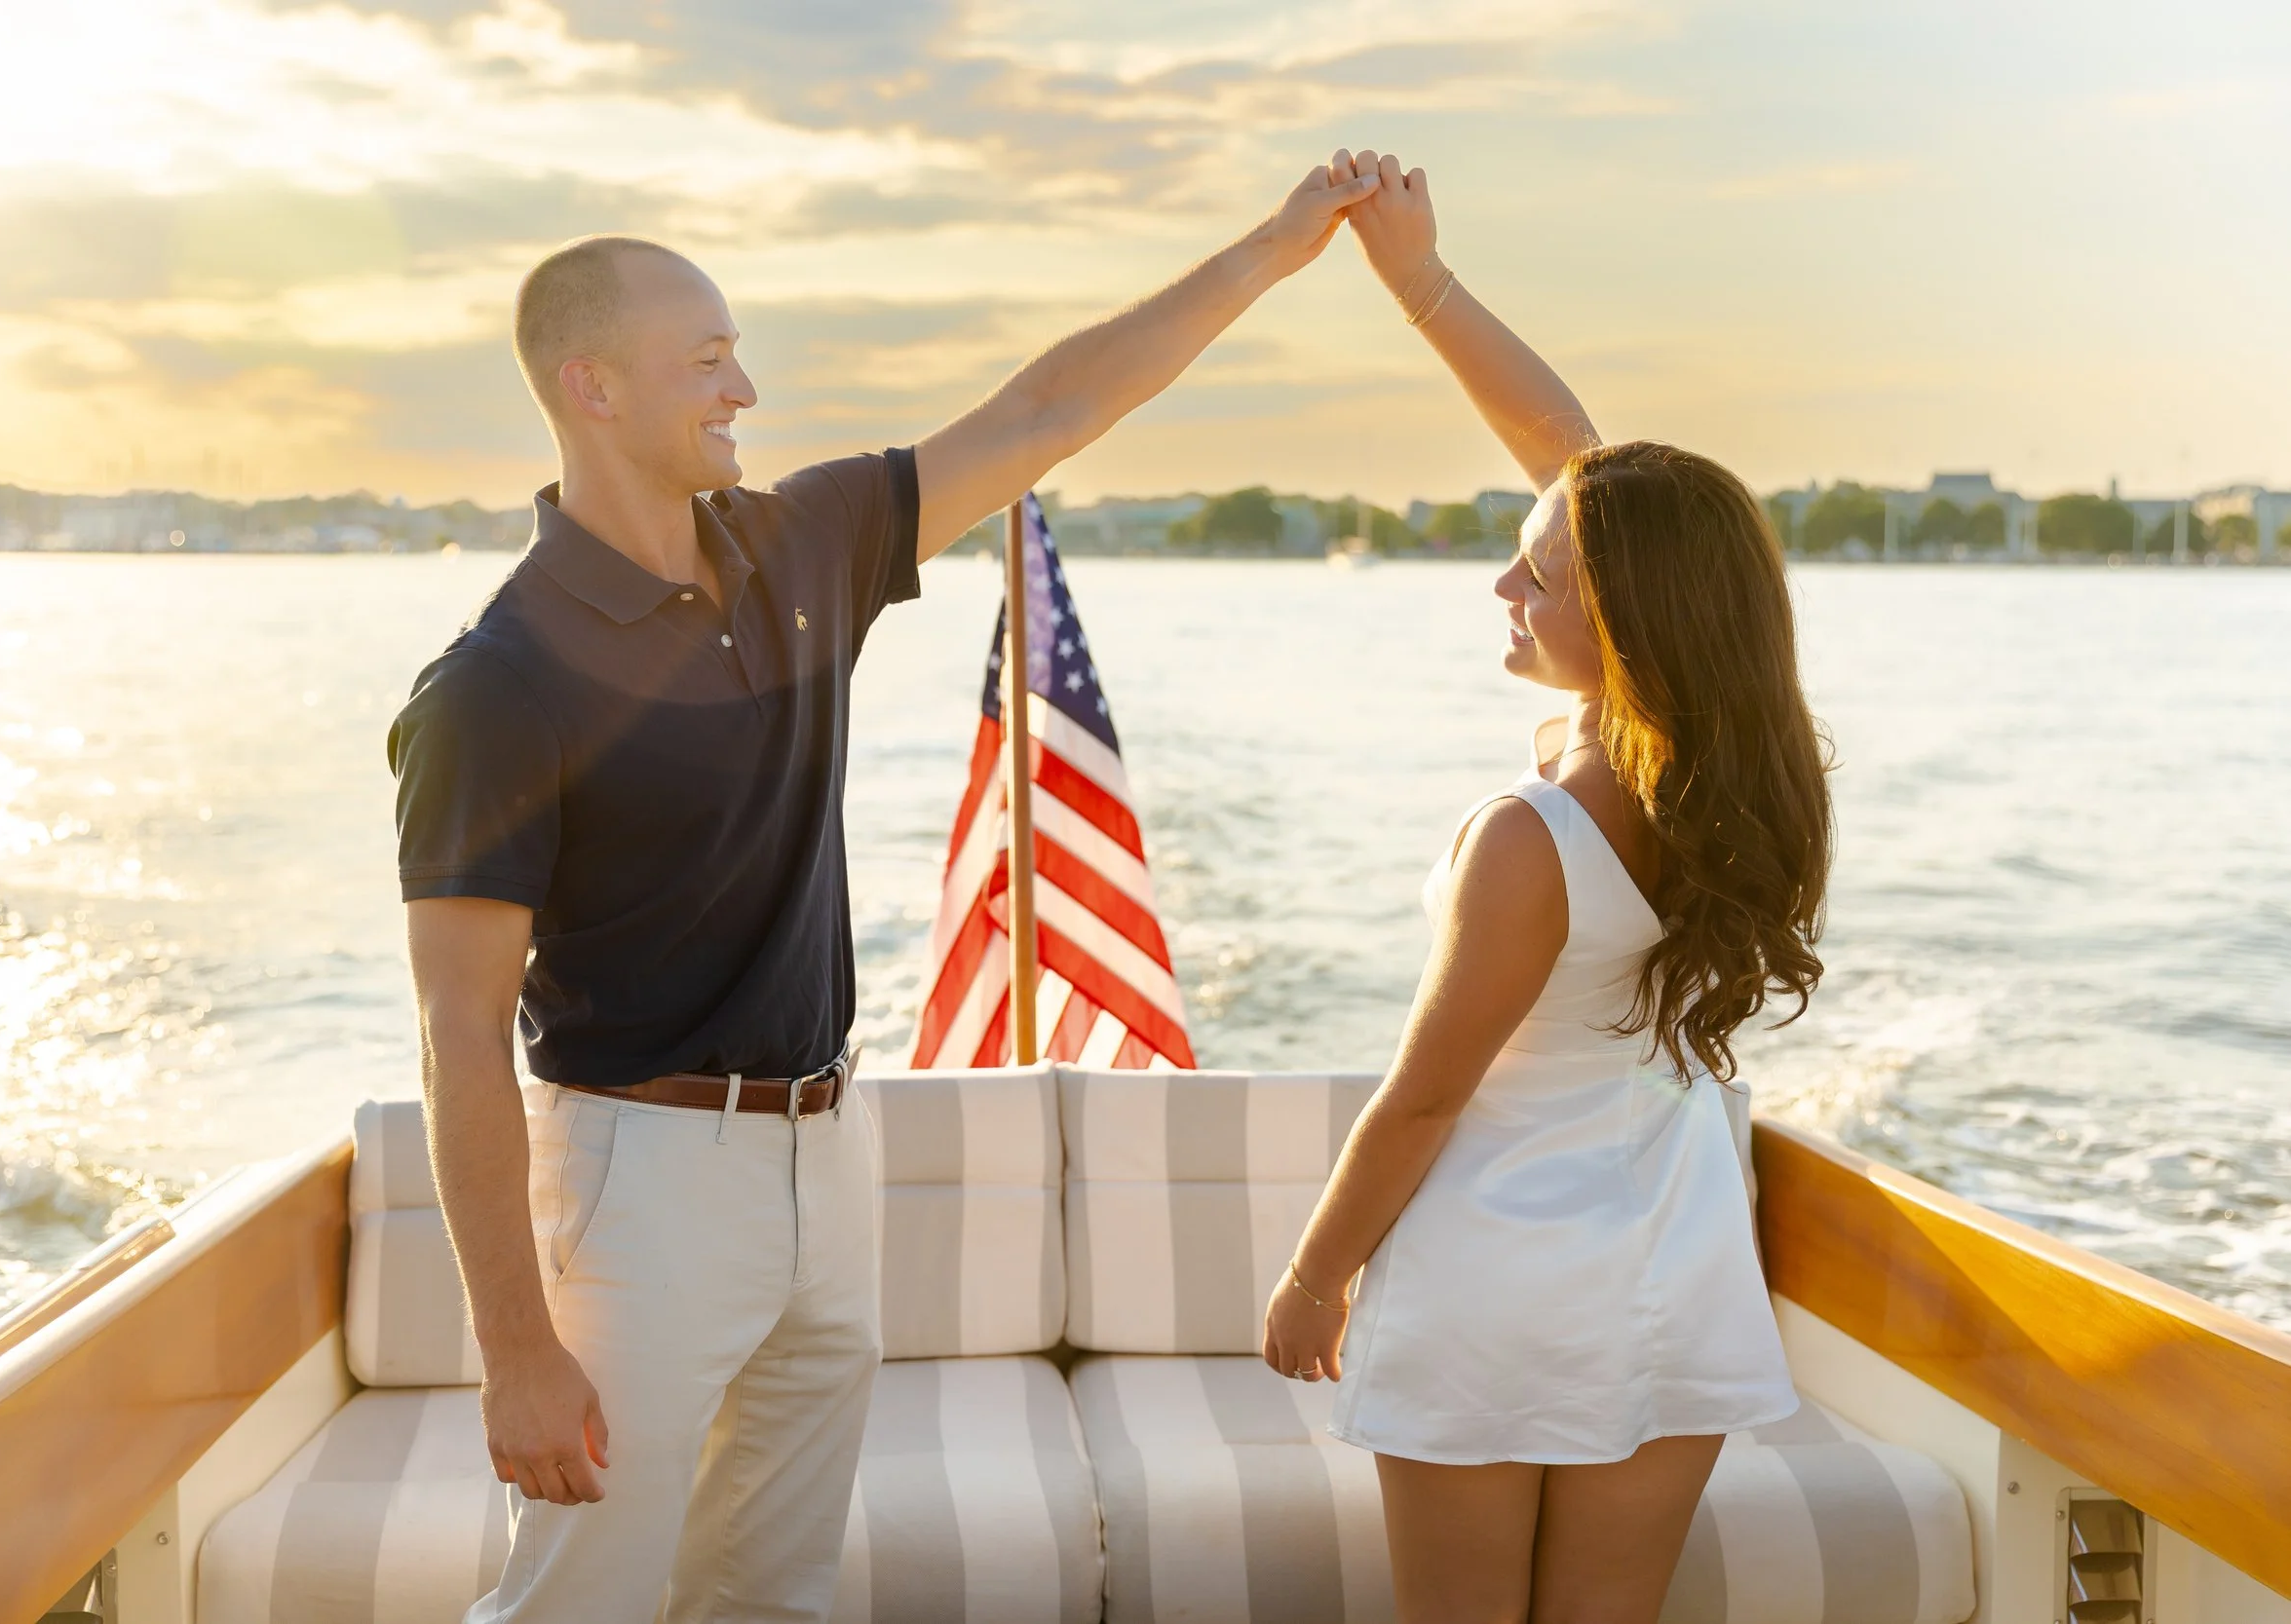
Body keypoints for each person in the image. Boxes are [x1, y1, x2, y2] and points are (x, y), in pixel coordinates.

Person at [390, 160, 1380, 1624]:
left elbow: (1048, 411)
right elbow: (457, 1033)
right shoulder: (499, 682)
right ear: (591, 387)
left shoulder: (804, 545)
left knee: (775, 1588)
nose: (747, 385)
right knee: (578, 1597)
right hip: (636, 1177)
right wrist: (515, 1342)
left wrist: (1277, 251)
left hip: (829, 1149)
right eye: (709, 359)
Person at [1262, 149, 1834, 1624]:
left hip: (1504, 1271)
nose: (1501, 589)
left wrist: (1319, 1278)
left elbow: (1424, 1098)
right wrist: (1421, 286)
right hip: (1677, 1250)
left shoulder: (1534, 837)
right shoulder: (1728, 780)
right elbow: (1578, 462)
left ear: (1622, 615)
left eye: (1535, 575)